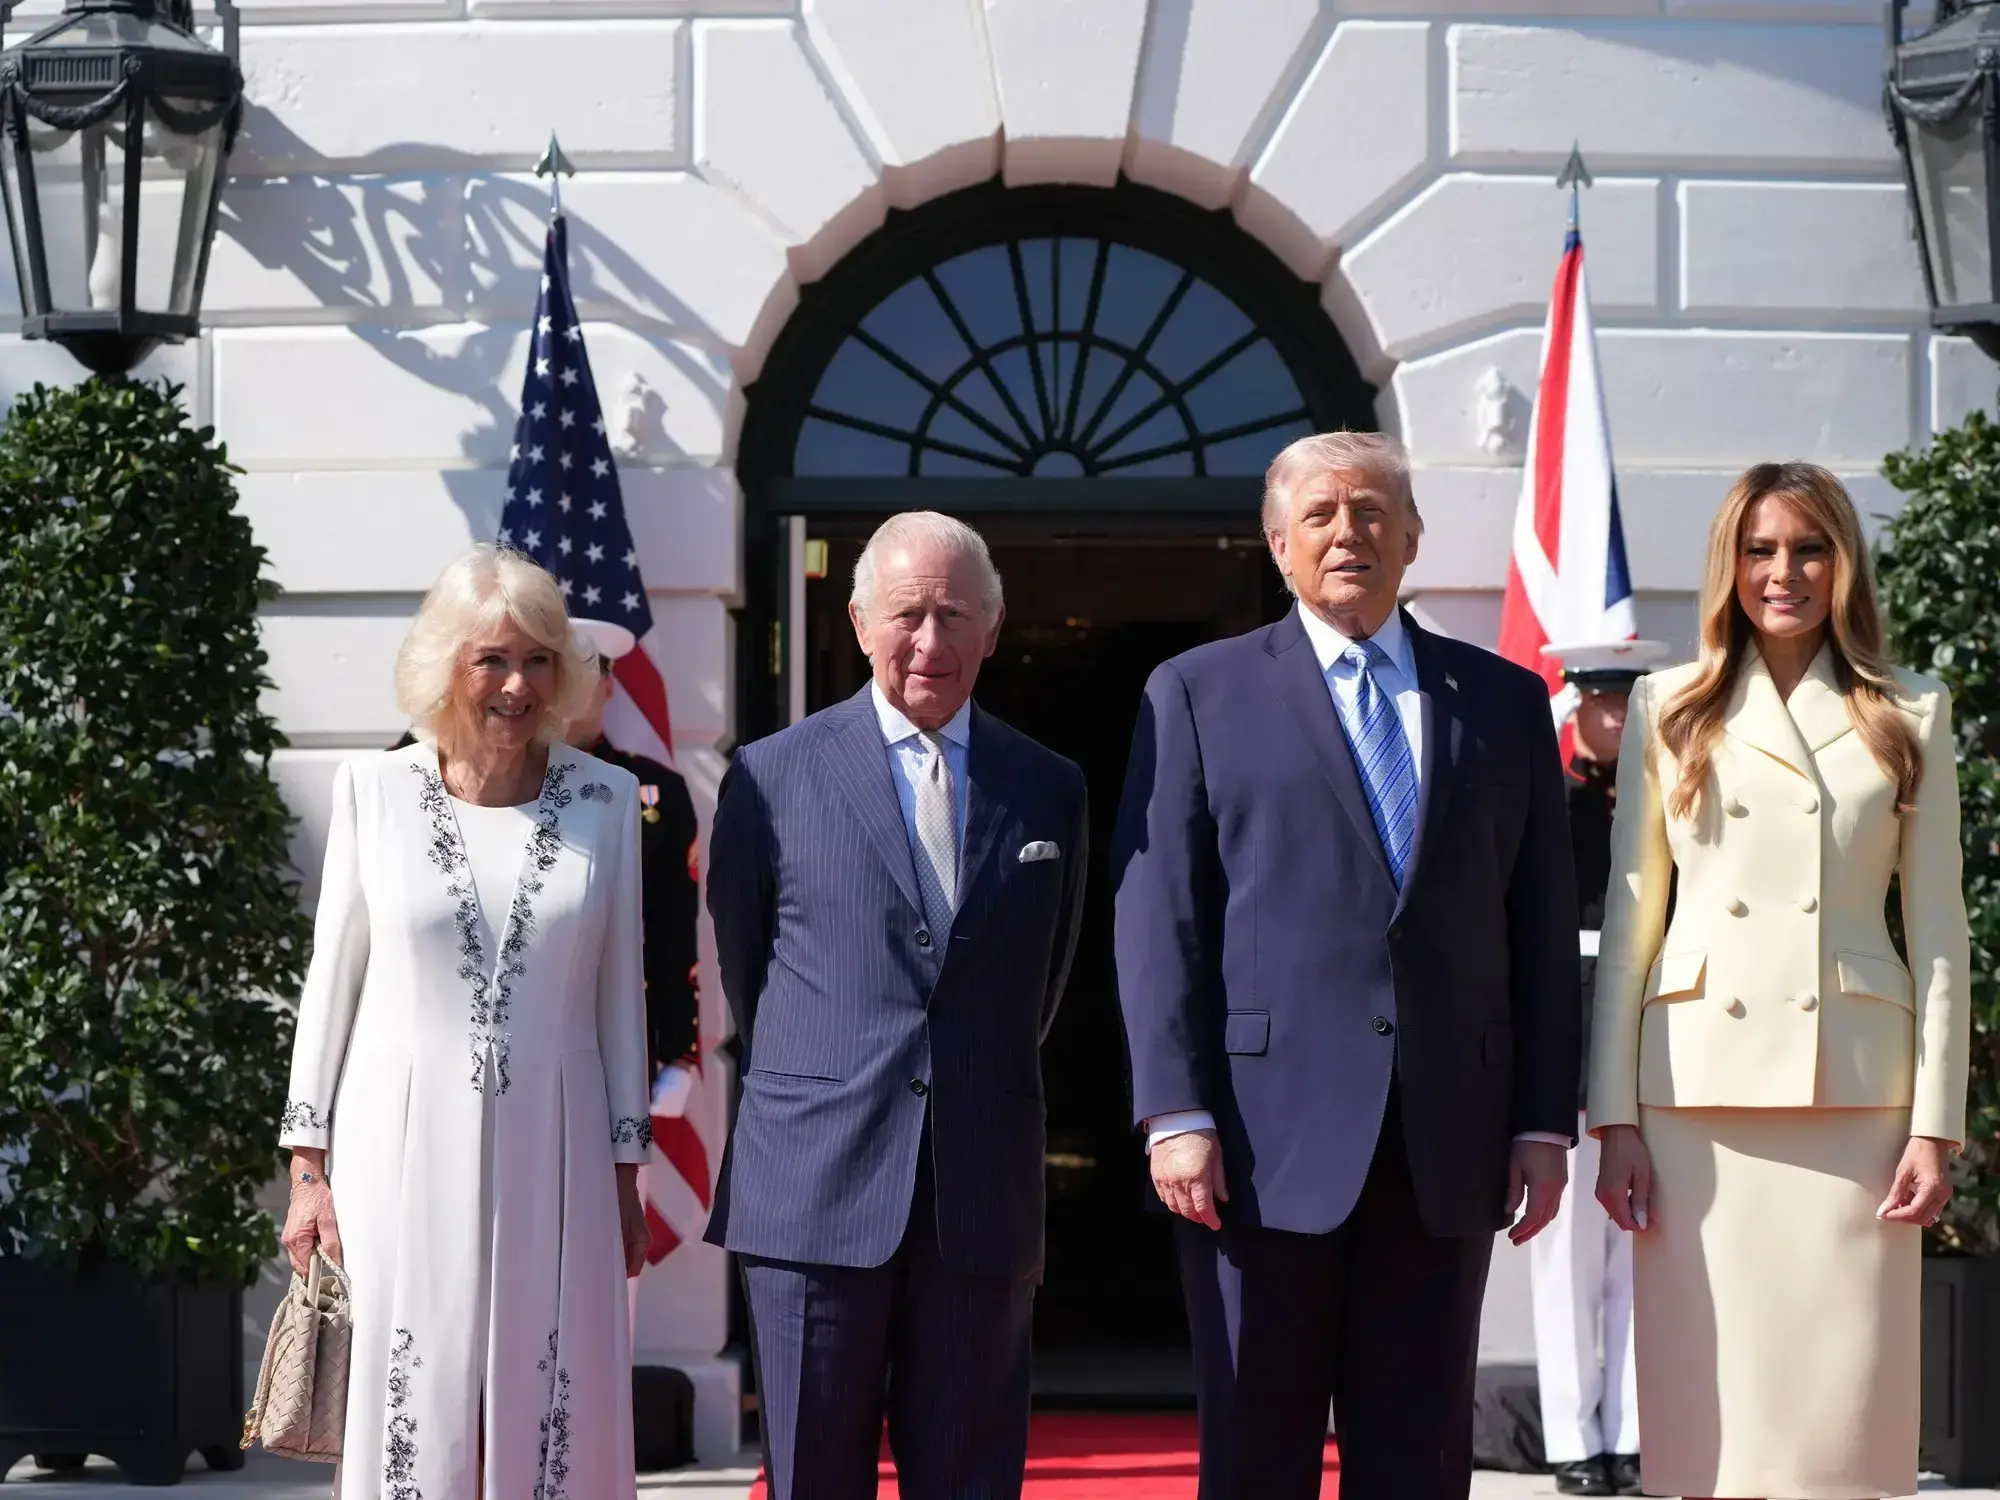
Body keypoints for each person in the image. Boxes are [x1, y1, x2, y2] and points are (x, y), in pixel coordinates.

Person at [1113, 430, 1581, 1500]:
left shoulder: (1501, 703)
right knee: (1255, 1452)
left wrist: (1540, 1122)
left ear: (1410, 538)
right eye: (1318, 515)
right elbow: (1159, 918)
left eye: (1370, 511)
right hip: (1251, 1146)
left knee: (1417, 1460)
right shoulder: (1193, 693)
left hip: (1445, 1141)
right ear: (1276, 545)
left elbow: (1538, 924)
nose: (1346, 533)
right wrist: (1172, 1113)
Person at [1589, 462, 1971, 1500]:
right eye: (1758, 549)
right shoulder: (1667, 704)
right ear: (1729, 565)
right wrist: (1610, 1118)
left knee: (1842, 1417)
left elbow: (1937, 930)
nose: (1782, 571)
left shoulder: (1909, 710)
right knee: (1712, 1418)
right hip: (1695, 1096)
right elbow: (1632, 923)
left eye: (1806, 547)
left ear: (1842, 563)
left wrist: (1935, 1126)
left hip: (1854, 1095)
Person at [704, 512, 1088, 1500]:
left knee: (968, 1477)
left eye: (955, 615)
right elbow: (749, 968)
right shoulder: (769, 775)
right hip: (811, 1193)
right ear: (861, 620)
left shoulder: (1048, 789)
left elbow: (1040, 983)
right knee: (811, 1479)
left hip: (978, 1196)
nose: (930, 641)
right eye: (908, 614)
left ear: (993, 631)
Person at [279, 544, 654, 1500]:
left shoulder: (606, 801)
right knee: (417, 1387)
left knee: (554, 1383)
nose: (516, 684)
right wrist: (307, 1169)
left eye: (537, 659)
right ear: (446, 664)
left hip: (560, 1144)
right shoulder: (372, 792)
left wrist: (626, 1167)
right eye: (491, 658)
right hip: (395, 1144)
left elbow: (622, 997)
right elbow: (334, 981)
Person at [1528, 641, 1670, 1499]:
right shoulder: (1552, 796)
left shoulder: (1664, 796)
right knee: (1567, 1259)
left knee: (1635, 1248)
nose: (1615, 719)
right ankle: (1570, 1437)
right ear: (1576, 704)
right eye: (1600, 704)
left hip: (1649, 1023)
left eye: (1629, 705)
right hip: (1570, 1022)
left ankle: (1628, 1432)